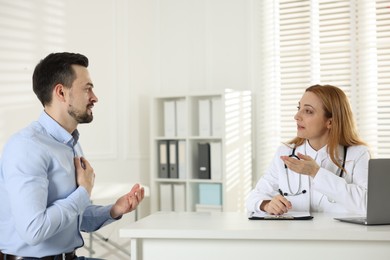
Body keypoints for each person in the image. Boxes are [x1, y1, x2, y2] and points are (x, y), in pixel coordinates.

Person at [0, 52, 145, 259]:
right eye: (87, 89)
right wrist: (83, 191)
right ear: (61, 92)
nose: (95, 97)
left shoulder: (70, 144)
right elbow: (34, 230)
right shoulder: (27, 147)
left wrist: (114, 209)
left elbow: (74, 216)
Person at [246, 84, 370, 217]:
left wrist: (316, 172)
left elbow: (366, 204)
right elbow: (254, 197)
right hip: (296, 236)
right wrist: (267, 204)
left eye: (308, 111)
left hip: (339, 236)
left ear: (330, 122)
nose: (297, 116)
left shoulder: (358, 154)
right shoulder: (285, 153)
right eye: (299, 108)